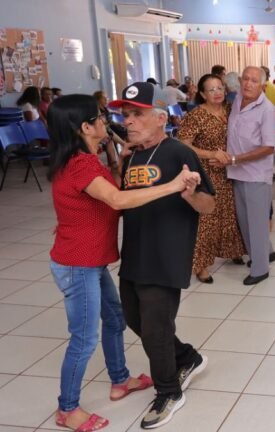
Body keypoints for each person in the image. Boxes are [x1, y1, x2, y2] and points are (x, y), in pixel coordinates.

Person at [46, 94, 202, 432]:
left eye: (135, 114)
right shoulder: (82, 164)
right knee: (90, 336)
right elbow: (116, 198)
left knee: (120, 320)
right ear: (86, 127)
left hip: (102, 261)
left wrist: (121, 166)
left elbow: (108, 193)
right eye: (104, 117)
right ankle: (67, 408)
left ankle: (132, 382)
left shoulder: (93, 160)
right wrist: (172, 185)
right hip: (80, 263)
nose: (117, 122)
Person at [108, 82, 215, 429]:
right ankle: (187, 357)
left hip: (167, 254)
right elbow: (121, 201)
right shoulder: (132, 155)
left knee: (155, 327)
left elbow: (209, 205)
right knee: (135, 320)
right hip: (136, 251)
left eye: (137, 114)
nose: (129, 121)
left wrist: (188, 195)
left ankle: (169, 391)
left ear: (160, 117)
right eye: (126, 115)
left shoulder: (179, 153)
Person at [177, 73, 247, 284]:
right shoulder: (196, 115)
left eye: (220, 88)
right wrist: (211, 155)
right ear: (202, 94)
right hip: (206, 171)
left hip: (230, 170)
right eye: (211, 90)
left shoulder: (230, 110)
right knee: (207, 219)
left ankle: (232, 249)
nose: (217, 93)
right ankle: (201, 265)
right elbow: (183, 146)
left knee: (230, 213)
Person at [211, 66, 275, 286]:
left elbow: (268, 146)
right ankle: (266, 252)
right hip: (236, 171)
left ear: (263, 85)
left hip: (255, 173)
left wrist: (235, 160)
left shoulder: (266, 109)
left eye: (254, 81)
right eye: (245, 79)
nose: (248, 84)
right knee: (245, 221)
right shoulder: (238, 100)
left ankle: (260, 268)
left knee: (257, 223)